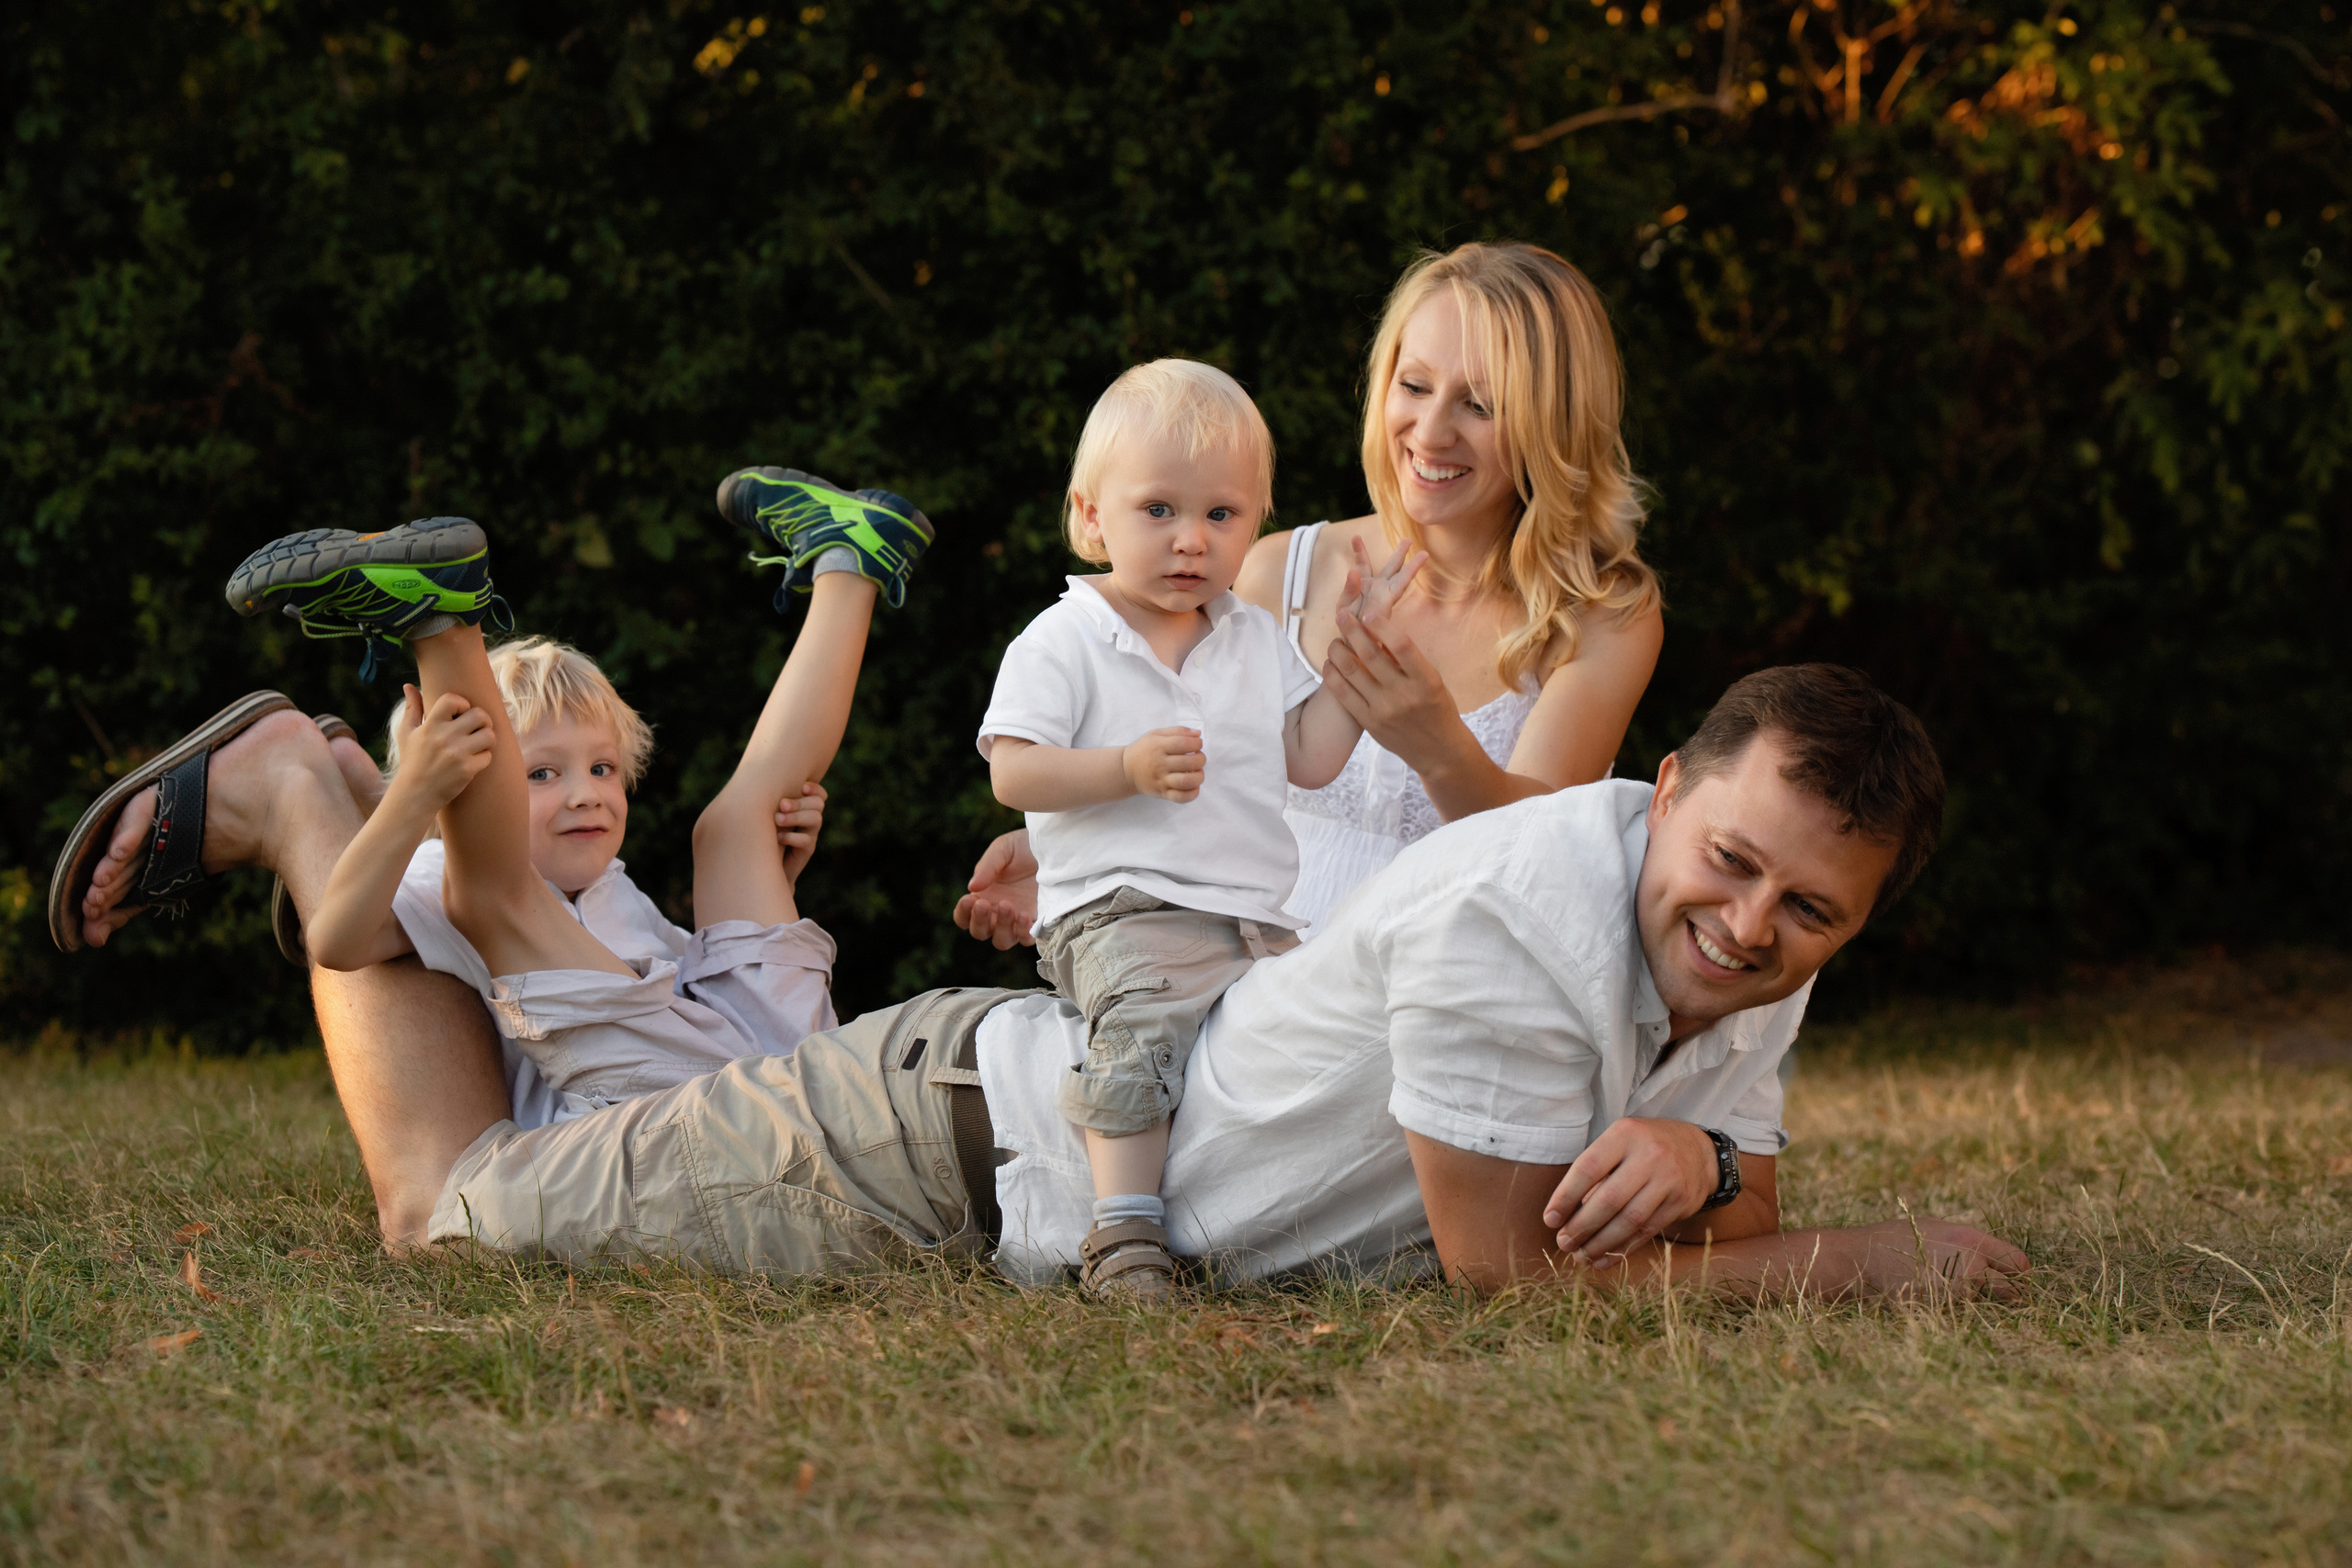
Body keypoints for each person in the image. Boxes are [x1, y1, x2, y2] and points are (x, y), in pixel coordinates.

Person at [405, 662, 2026, 1304]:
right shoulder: (1526, 911)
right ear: (1665, 789)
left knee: (563, 1129)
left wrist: (1709, 1156)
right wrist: (1872, 1259)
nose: (1748, 926)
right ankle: (312, 792)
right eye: (1730, 862)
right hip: (929, 1148)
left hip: (986, 1155)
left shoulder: (1747, 938)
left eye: (1810, 911)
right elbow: (1523, 1283)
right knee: (456, 1210)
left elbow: (1727, 1199)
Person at [956, 241, 1665, 949]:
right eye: (1415, 385)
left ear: (1554, 422)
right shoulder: (1273, 572)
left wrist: (1441, 747)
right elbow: (1198, 771)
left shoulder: (1603, 616)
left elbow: (1538, 860)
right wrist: (1070, 855)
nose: (1430, 431)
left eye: (1479, 404)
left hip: (1454, 985)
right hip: (1248, 978)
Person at [222, 473, 932, 1115]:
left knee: (733, 828)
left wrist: (773, 881)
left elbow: (706, 999)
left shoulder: (619, 892)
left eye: (602, 768)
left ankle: (849, 557)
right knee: (504, 882)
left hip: (764, 1072)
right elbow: (336, 939)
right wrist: (414, 795)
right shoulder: (446, 874)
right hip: (680, 1104)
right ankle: (442, 620)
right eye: (541, 774)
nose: (586, 794)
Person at [978, 359, 1418, 1297]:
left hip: (1256, 917)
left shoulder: (1251, 635)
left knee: (1275, 1055)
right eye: (1158, 510)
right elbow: (1013, 769)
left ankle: (1262, 1218)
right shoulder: (1065, 637)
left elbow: (1308, 756)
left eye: (1222, 514)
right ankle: (1122, 1230)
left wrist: (1356, 657)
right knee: (1142, 1031)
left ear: (1256, 521)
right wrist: (1123, 769)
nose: (1192, 539)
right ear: (1091, 516)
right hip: (1122, 908)